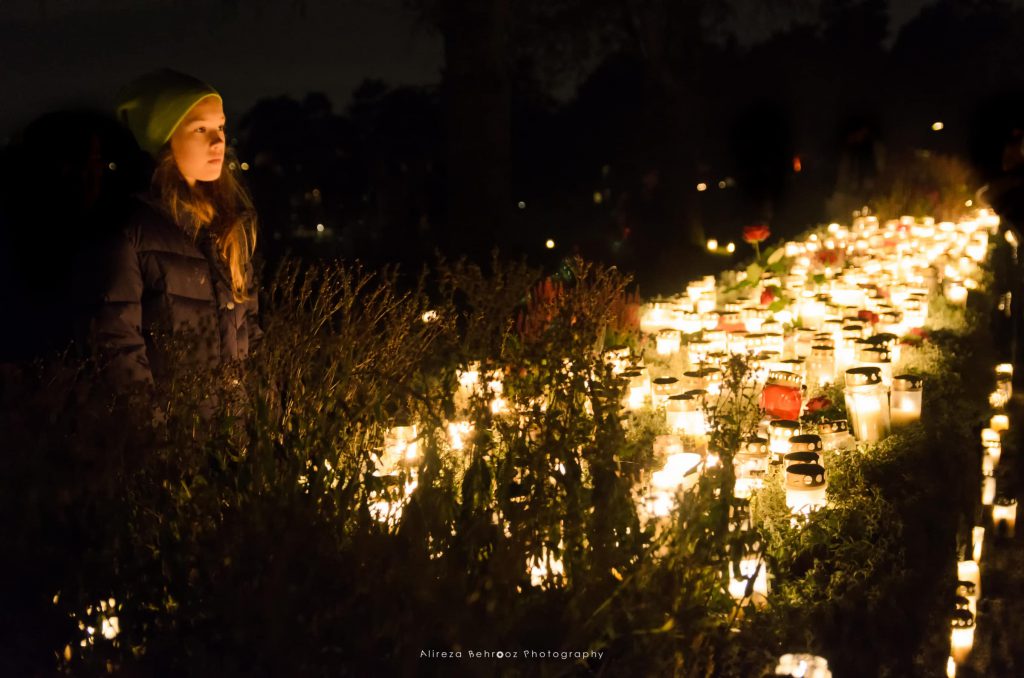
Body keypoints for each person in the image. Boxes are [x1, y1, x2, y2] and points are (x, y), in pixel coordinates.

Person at [75, 69, 261, 394]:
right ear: (164, 138)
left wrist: (264, 414)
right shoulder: (130, 230)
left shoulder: (229, 226)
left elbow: (251, 330)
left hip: (234, 438)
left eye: (220, 126)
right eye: (200, 129)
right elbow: (118, 346)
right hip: (176, 437)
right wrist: (158, 436)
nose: (218, 141)